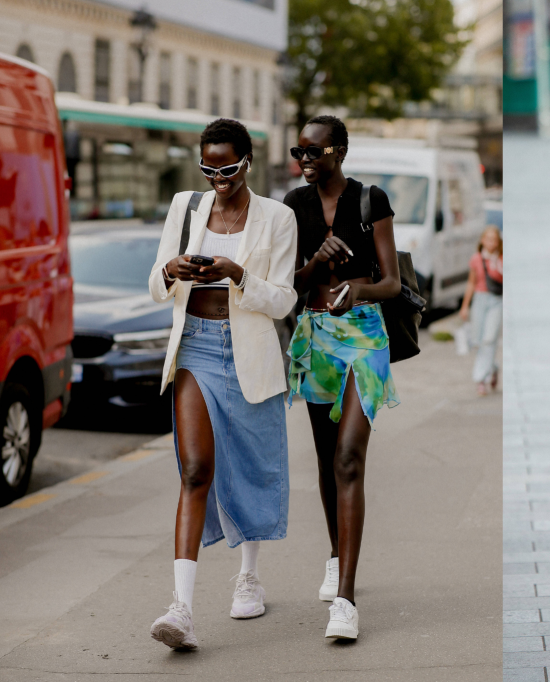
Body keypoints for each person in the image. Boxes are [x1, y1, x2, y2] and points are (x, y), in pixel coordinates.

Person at [147, 119, 299, 650]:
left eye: (228, 168)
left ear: (248, 162)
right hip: (194, 348)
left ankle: (248, 575)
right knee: (196, 470)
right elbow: (155, 286)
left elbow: (283, 300)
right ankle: (181, 609)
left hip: (250, 352)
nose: (219, 178)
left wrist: (237, 275)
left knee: (251, 467)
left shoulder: (278, 217)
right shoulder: (185, 208)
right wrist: (173, 268)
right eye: (209, 168)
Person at [283, 115, 401, 641]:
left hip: (364, 338)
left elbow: (392, 282)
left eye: (314, 152)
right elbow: (290, 284)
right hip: (314, 339)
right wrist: (314, 261)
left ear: (340, 151)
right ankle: (336, 552)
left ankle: (347, 602)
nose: (305, 161)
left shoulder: (370, 199)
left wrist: (358, 289)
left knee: (349, 457)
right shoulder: (293, 206)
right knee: (326, 462)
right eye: (299, 152)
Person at [459, 226, 503, 395]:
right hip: (479, 299)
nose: (491, 242)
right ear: (482, 240)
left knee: (489, 338)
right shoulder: (476, 259)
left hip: (496, 301)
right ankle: (492, 367)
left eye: (494, 239)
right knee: (478, 340)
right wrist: (465, 306)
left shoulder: (500, 259)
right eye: (488, 238)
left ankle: (481, 379)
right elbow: (471, 283)